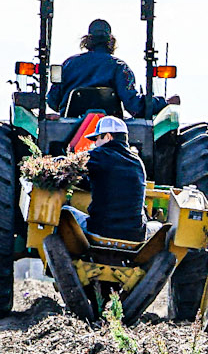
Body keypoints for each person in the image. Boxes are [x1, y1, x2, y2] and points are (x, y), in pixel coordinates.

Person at [47, 19, 179, 119]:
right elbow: (134, 106)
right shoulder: (120, 68)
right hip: (111, 130)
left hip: (68, 129)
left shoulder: (68, 64)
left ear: (87, 41)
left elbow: (53, 102)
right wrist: (164, 103)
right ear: (110, 42)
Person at [75, 115, 149, 243]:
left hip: (102, 231)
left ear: (108, 137)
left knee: (65, 211)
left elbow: (68, 163)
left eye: (97, 139)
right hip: (135, 236)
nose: (95, 144)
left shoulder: (100, 155)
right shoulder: (138, 163)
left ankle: (63, 260)